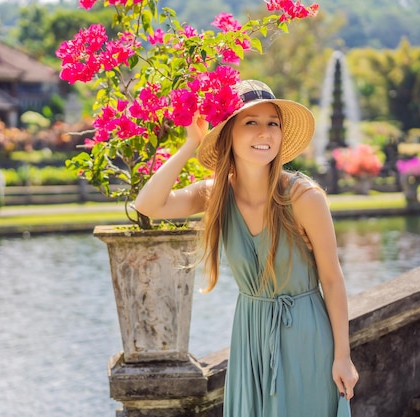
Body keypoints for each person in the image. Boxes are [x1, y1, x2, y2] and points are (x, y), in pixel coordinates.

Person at [134, 80, 359, 416]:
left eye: (273, 123)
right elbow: (149, 204)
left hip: (304, 335)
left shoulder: (304, 198)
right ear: (229, 135)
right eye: (250, 122)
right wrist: (190, 146)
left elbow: (332, 279)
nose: (264, 132)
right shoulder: (215, 194)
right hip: (249, 334)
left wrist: (343, 356)